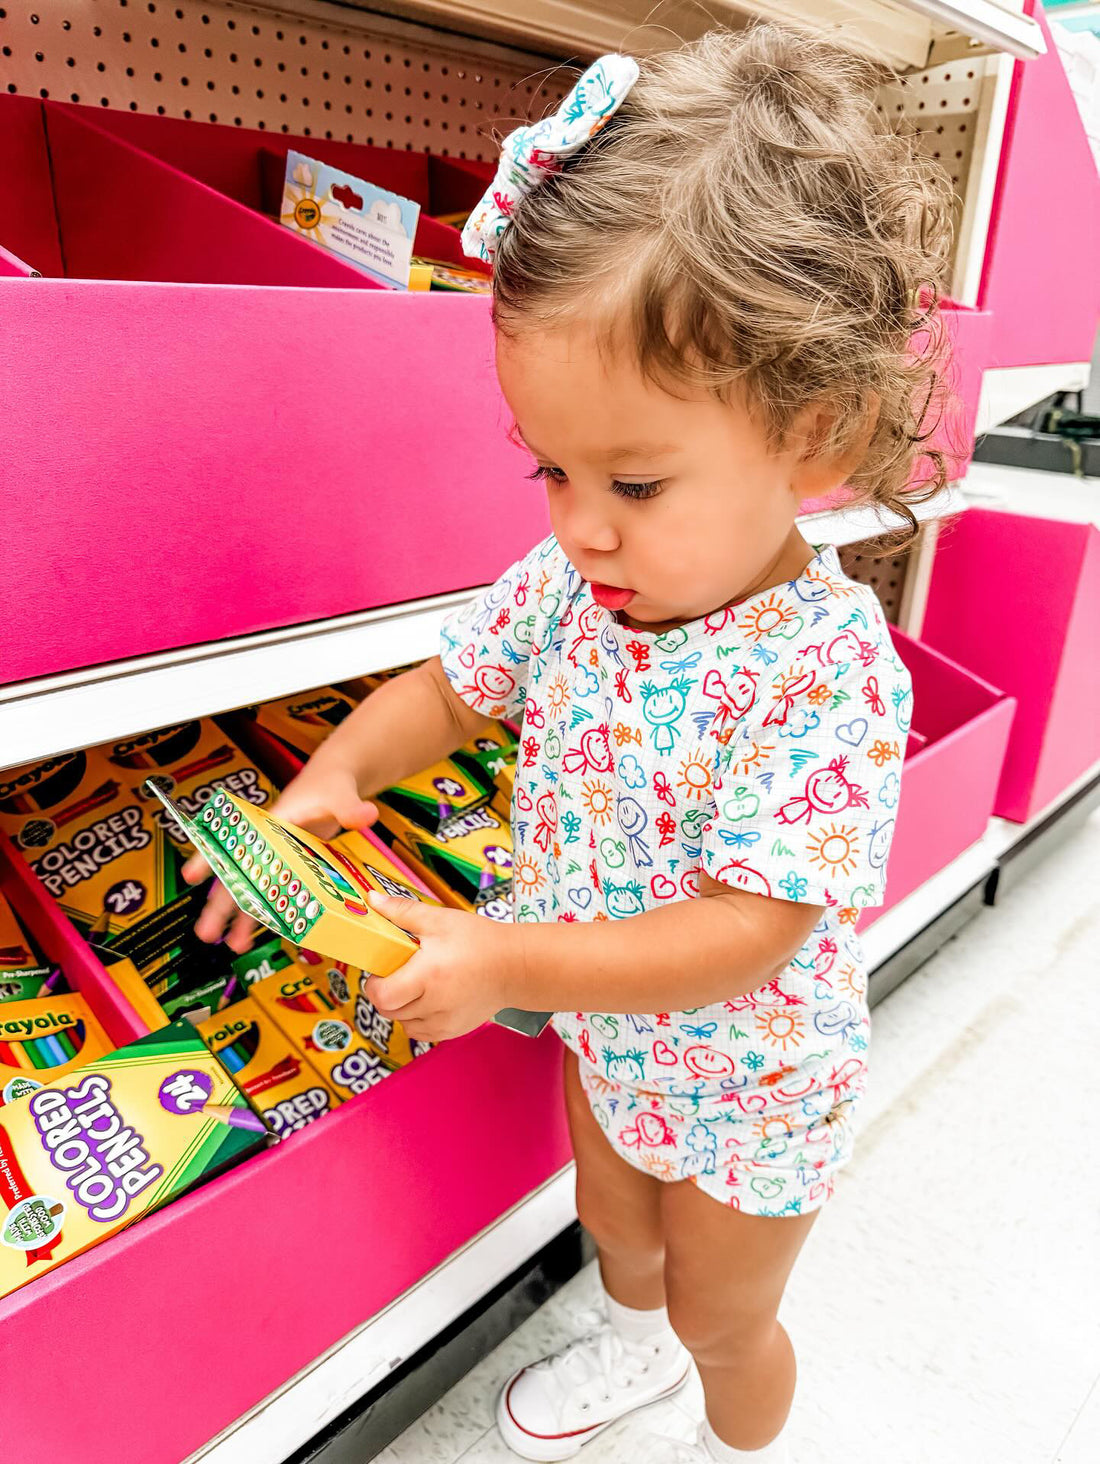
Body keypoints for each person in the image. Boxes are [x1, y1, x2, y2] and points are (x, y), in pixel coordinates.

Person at [189, 23, 954, 1461]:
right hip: (609, 1043)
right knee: (618, 1240)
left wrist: (502, 962)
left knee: (728, 1310)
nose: (581, 524)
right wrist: (338, 773)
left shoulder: (826, 670)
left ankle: (738, 1424)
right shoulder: (577, 584)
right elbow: (458, 689)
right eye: (551, 467)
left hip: (750, 1083)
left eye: (638, 478)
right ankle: (636, 1343)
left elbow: (746, 933)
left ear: (817, 431)